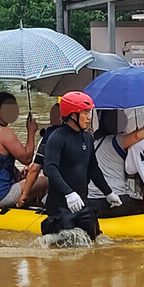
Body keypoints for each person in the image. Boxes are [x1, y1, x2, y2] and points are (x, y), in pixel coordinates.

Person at [43, 91, 122, 236]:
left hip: (82, 204)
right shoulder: (57, 137)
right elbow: (50, 168)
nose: (89, 117)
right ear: (73, 115)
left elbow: (93, 169)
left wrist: (108, 192)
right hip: (61, 207)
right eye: (85, 113)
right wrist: (69, 193)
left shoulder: (88, 138)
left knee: (94, 240)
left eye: (89, 112)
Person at [0, 90, 38, 208]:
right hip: (0, 196)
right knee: (43, 179)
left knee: (27, 176)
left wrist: (17, 174)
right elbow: (27, 158)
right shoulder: (4, 132)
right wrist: (31, 132)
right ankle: (32, 206)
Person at [15, 102, 60, 208]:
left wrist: (24, 194)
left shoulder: (50, 137)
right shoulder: (85, 137)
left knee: (41, 178)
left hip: (55, 187)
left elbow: (35, 168)